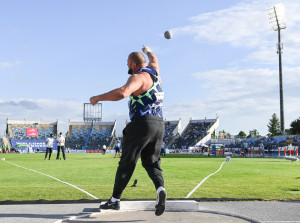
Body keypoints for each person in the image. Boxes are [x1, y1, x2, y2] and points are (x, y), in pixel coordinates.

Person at [90, 45, 166, 216]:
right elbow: (154, 58)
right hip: (159, 124)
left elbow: (123, 93)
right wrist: (148, 50)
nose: (127, 66)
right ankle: (160, 188)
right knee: (151, 162)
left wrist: (98, 97)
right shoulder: (155, 72)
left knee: (127, 162)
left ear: (132, 65)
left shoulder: (138, 77)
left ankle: (114, 201)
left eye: (127, 63)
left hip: (141, 124)